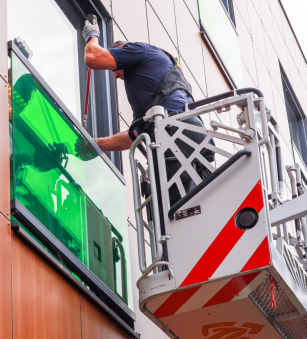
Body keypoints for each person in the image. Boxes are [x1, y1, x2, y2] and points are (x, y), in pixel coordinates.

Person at [81, 19, 214, 205]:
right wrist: (97, 145)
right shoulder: (155, 88)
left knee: (173, 211)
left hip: (175, 136)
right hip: (189, 140)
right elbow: (136, 135)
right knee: (187, 208)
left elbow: (93, 58)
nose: (115, 75)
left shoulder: (138, 50)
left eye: (115, 68)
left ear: (123, 52)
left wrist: (92, 35)